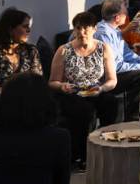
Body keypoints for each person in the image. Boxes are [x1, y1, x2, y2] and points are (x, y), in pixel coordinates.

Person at [49, 12, 119, 168]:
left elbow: (112, 80)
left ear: (94, 29)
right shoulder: (64, 50)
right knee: (84, 111)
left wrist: (101, 88)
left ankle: (109, 144)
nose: (81, 32)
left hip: (95, 89)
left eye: (86, 28)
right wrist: (62, 86)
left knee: (110, 103)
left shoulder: (103, 48)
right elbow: (53, 82)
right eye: (78, 28)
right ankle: (83, 155)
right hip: (72, 92)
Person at [94, 0, 140, 121]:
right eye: (125, 13)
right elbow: (116, 66)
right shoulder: (104, 34)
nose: (127, 15)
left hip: (115, 73)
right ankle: (132, 115)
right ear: (117, 17)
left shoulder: (115, 30)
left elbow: (127, 55)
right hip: (105, 78)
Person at [0, 8, 42, 91]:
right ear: (10, 29)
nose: (29, 30)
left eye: (28, 27)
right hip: (1, 100)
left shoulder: (31, 50)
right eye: (25, 26)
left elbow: (37, 81)